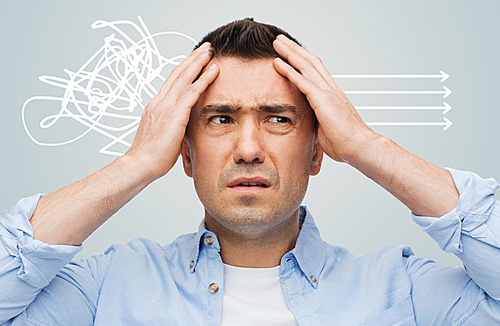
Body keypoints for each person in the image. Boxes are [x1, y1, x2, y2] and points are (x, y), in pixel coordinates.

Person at [0, 18, 499, 326]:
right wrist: (135, 164)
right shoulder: (105, 288)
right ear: (185, 155)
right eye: (220, 119)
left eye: (278, 119)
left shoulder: (403, 290)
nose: (248, 149)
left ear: (318, 153)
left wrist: (368, 146)